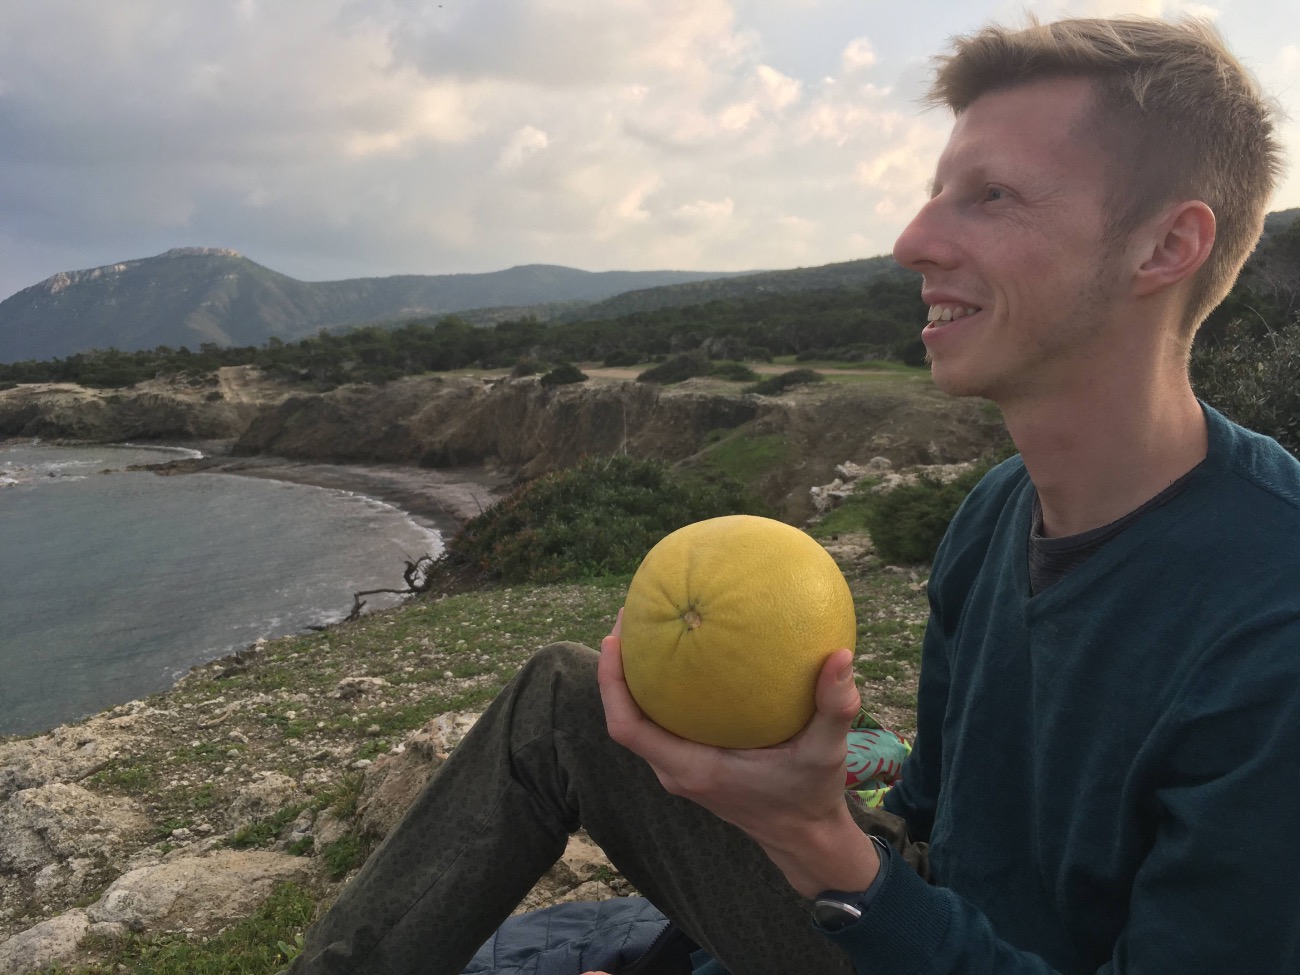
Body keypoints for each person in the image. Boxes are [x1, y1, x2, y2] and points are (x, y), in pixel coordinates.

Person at [287, 15, 1300, 974]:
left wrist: (817, 846)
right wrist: (805, 783)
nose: (911, 240)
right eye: (936, 191)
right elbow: (936, 819)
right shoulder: (997, 514)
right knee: (570, 701)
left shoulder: (1271, 617)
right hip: (906, 922)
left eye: (990, 196)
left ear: (1165, 248)